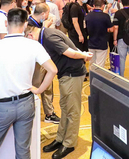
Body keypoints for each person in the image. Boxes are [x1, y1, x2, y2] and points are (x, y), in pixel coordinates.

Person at [0, 8, 58, 159]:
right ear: (25, 24)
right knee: (23, 150)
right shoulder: (33, 45)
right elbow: (53, 70)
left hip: (3, 106)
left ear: (6, 23)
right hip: (26, 102)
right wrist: (39, 90)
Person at [26, 19, 92, 158]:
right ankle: (61, 138)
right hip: (65, 73)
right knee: (65, 107)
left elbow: (70, 52)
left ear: (30, 35)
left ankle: (69, 143)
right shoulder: (46, 34)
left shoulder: (49, 37)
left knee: (72, 110)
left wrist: (84, 56)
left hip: (72, 73)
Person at [29, 3, 60, 124]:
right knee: (35, 87)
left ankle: (49, 113)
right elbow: (35, 42)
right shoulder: (29, 24)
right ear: (43, 14)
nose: (48, 16)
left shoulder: (38, 24)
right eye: (47, 14)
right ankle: (31, 114)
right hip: (35, 63)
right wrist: (44, 28)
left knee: (47, 86)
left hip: (43, 60)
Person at [86, 0, 113, 67]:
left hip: (91, 43)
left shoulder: (88, 15)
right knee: (100, 65)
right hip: (102, 44)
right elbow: (111, 29)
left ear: (93, 5)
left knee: (92, 64)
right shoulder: (105, 16)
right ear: (103, 6)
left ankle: (92, 74)